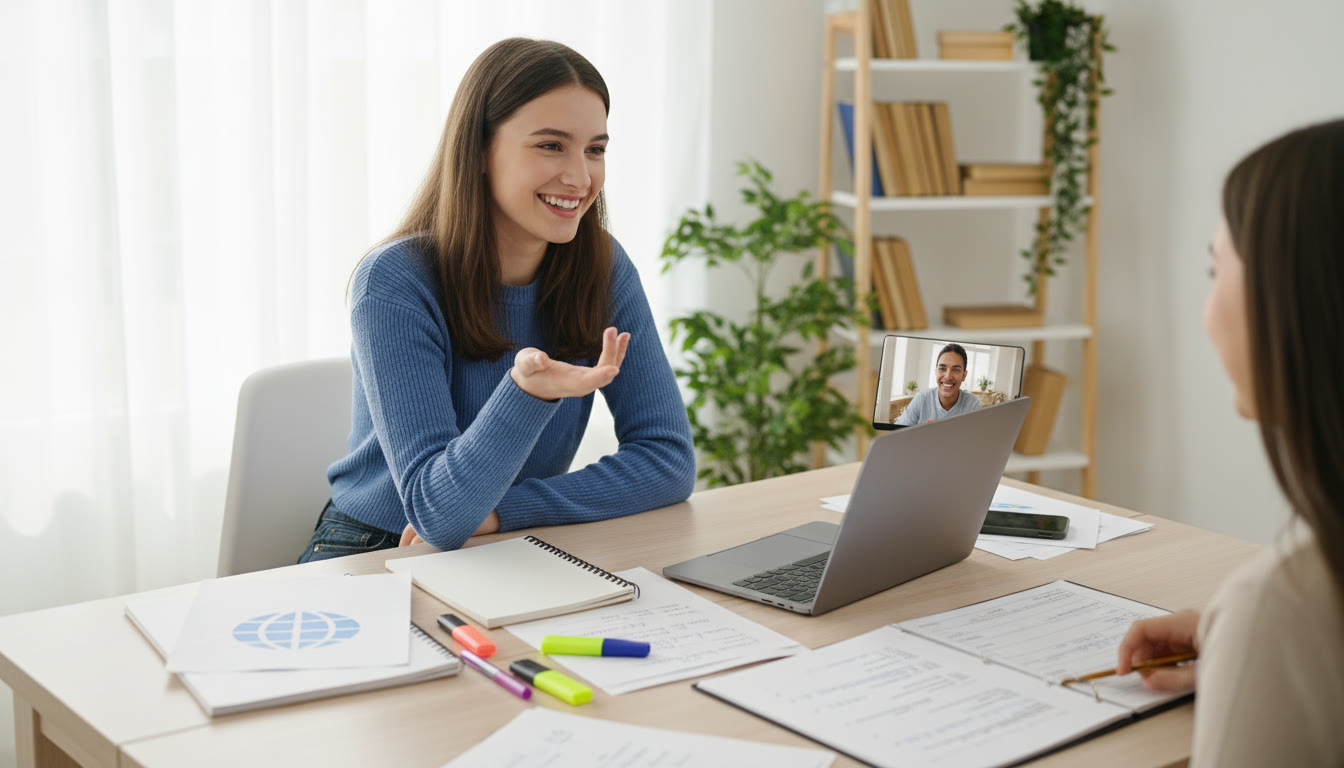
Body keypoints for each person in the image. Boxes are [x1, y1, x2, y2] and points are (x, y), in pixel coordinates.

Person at [298, 38, 696, 563]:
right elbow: (436, 514)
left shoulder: (602, 267)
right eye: (551, 146)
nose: (580, 178)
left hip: (510, 541)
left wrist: (504, 511)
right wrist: (526, 392)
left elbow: (668, 460)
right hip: (374, 548)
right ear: (481, 151)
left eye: (594, 149)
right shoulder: (395, 281)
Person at [1115, 120, 1344, 766]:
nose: (1207, 309)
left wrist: (1261, 646)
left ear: (1291, 304)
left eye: (1217, 271)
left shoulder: (1285, 607)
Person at [893, 343, 983, 426]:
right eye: (942, 368)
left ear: (964, 375)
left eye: (956, 370)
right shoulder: (922, 398)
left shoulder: (973, 404)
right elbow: (897, 433)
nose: (948, 377)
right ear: (936, 371)